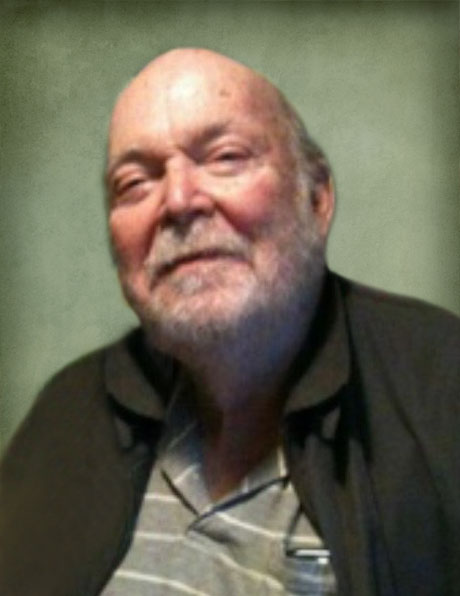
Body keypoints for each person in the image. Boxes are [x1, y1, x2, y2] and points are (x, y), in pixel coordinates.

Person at [0, 48, 459, 596]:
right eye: (135, 183)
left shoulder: (442, 389)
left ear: (316, 198)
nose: (178, 201)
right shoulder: (70, 408)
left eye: (225, 157)